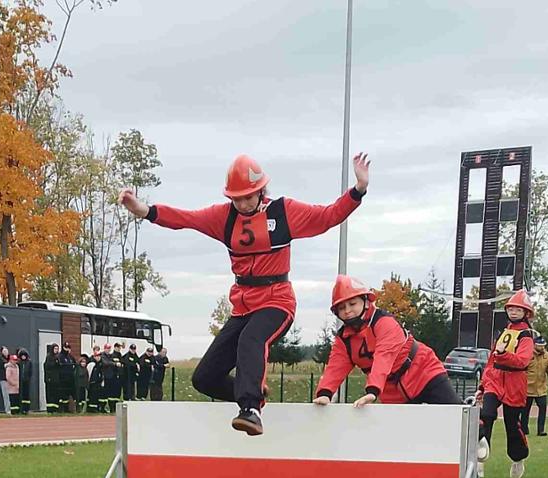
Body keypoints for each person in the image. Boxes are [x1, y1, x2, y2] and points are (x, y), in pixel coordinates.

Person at [120, 152, 371, 435]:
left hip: (277, 301)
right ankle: (252, 391)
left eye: (248, 197)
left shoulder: (283, 212)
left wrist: (358, 189)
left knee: (252, 338)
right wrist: (144, 210)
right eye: (236, 199)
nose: (242, 204)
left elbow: (328, 216)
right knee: (204, 378)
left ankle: (251, 408)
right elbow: (186, 218)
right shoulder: (224, 218)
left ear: (261, 190)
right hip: (243, 305)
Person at [313, 276, 454, 478]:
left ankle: (479, 438)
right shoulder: (343, 338)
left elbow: (385, 355)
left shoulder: (385, 322)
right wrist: (325, 392)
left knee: (457, 418)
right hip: (392, 390)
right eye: (342, 308)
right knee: (393, 451)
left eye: (352, 304)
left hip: (423, 372)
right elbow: (336, 365)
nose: (347, 311)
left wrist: (372, 390)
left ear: (366, 301)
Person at [475, 291, 538, 478]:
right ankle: (479, 460)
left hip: (514, 383)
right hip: (495, 380)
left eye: (518, 309)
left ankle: (518, 459)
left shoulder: (526, 336)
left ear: (526, 312)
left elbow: (522, 361)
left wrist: (504, 356)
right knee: (485, 415)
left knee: (512, 425)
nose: (514, 312)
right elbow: (491, 360)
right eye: (511, 308)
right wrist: (482, 385)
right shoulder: (504, 331)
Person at [525, 340, 548, 436]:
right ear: (535, 345)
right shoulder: (528, 354)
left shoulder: (547, 356)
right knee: (525, 411)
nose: (542, 348)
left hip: (541, 388)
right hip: (528, 388)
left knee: (542, 409)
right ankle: (524, 429)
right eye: (540, 346)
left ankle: (541, 430)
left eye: (543, 346)